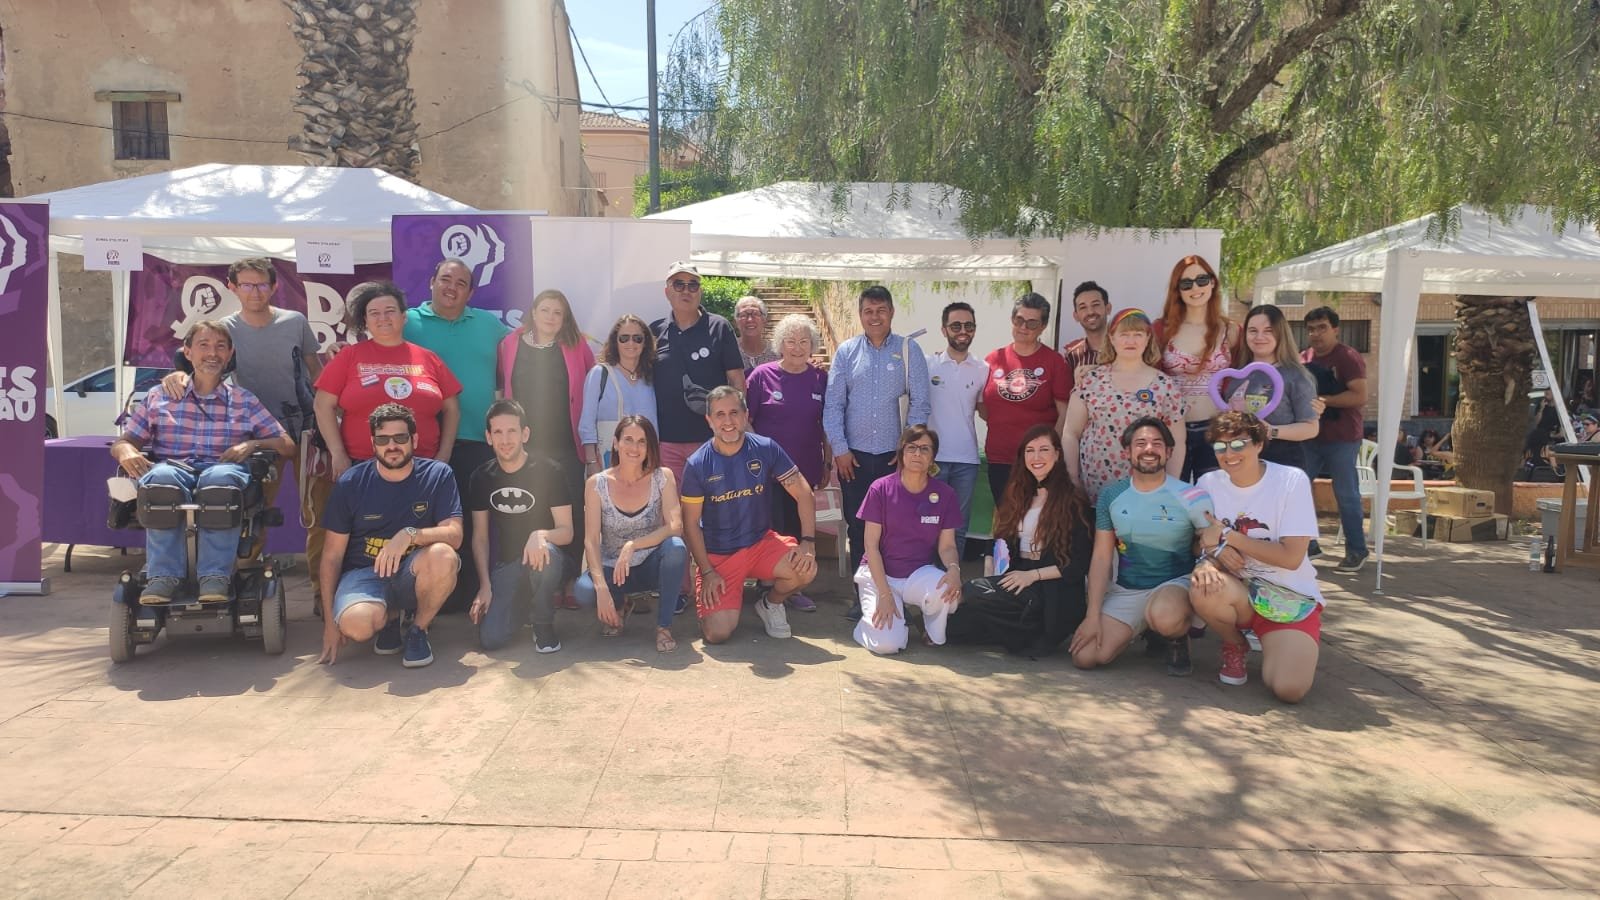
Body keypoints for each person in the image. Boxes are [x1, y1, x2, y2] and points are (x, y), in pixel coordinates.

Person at [112, 321, 295, 604]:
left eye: (221, 346)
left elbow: (287, 445)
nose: (213, 353)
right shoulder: (159, 397)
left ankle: (215, 576)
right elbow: (125, 441)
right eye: (204, 345)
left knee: (218, 481)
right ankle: (163, 577)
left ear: (230, 353)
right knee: (161, 481)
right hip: (174, 468)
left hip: (223, 470)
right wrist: (125, 452)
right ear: (187, 352)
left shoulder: (243, 400)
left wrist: (253, 444)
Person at [157, 258, 321, 560]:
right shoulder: (225, 330)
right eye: (246, 284)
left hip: (304, 431)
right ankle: (242, 580)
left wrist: (327, 415)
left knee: (316, 513)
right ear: (232, 287)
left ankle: (319, 596)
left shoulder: (296, 322)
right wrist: (176, 376)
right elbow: (194, 366)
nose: (254, 292)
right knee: (250, 512)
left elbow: (316, 370)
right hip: (254, 436)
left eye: (261, 284)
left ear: (274, 287)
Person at [312, 281, 462, 609]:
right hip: (362, 468)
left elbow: (451, 407)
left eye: (390, 311)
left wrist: (445, 453)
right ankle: (353, 600)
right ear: (364, 321)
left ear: (404, 317)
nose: (383, 318)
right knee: (356, 543)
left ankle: (417, 606)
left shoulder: (428, 358)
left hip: (421, 471)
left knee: (423, 541)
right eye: (374, 313)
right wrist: (337, 452)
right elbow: (323, 405)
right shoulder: (349, 356)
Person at [1190, 412, 1325, 702]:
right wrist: (1213, 553)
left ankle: (1280, 644)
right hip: (1237, 593)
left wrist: (1228, 537)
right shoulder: (1207, 482)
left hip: (1288, 596)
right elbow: (1199, 541)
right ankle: (1234, 644)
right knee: (1203, 583)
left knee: (1288, 689)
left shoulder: (1290, 480)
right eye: (1220, 447)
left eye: (1239, 445)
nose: (1229, 454)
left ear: (1259, 445)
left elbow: (1291, 557)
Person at [317, 403, 463, 669]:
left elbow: (455, 535)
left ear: (414, 439)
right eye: (383, 439)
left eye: (400, 438)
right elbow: (331, 556)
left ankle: (419, 630)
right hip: (364, 573)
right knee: (357, 626)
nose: (392, 446)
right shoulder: (351, 483)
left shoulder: (438, 475)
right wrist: (330, 623)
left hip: (412, 571)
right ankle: (391, 618)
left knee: (443, 555)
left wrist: (410, 534)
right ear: (373, 443)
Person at [405, 258, 511, 612]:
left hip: (479, 441)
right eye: (445, 279)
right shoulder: (407, 322)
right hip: (421, 444)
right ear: (431, 281)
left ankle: (466, 596)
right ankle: (423, 594)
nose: (452, 287)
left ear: (471, 291)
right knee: (424, 520)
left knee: (469, 519)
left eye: (461, 282)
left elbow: (521, 356)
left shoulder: (489, 324)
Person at [1070, 417, 1212, 676]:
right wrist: (1092, 616)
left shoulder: (1192, 495)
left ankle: (1175, 635)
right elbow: (1101, 558)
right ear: (1128, 452)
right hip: (1128, 590)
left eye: (1157, 444)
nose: (1149, 449)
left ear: (1169, 452)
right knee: (1085, 657)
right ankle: (1145, 628)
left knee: (1165, 615)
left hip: (1175, 585)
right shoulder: (1111, 495)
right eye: (1141, 443)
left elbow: (1209, 549)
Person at [680, 386, 819, 643]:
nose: (728, 421)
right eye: (719, 415)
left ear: (745, 416)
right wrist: (708, 572)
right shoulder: (697, 464)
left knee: (805, 569)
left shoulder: (765, 448)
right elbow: (690, 525)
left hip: (759, 544)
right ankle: (725, 599)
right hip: (719, 556)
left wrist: (808, 542)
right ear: (709, 420)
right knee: (717, 634)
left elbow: (804, 493)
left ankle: (770, 603)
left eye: (734, 412)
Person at [947, 425, 1092, 657]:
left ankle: (1029, 629)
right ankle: (1010, 628)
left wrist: (1031, 576)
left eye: (1044, 449)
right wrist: (991, 579)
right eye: (1029, 450)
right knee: (954, 628)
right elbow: (996, 542)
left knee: (973, 592)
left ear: (1057, 454)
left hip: (1050, 586)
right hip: (1017, 575)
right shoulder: (1017, 494)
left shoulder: (1073, 501)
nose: (1036, 457)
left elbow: (1078, 564)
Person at [824, 285, 931, 584]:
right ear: (860, 314)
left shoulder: (909, 350)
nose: (875, 317)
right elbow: (833, 404)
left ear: (892, 313)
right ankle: (863, 596)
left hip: (893, 460)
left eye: (881, 310)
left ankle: (895, 589)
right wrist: (841, 450)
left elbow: (920, 403)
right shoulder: (847, 352)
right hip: (853, 460)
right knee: (858, 527)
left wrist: (906, 454)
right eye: (868, 311)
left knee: (895, 526)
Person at [498, 288, 596, 607]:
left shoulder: (577, 344)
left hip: (566, 442)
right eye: (546, 310)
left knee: (570, 512)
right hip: (526, 445)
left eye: (558, 312)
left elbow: (593, 387)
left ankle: (568, 580)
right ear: (534, 312)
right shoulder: (510, 344)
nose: (551, 317)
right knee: (533, 511)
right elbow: (502, 391)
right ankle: (538, 581)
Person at [467, 399, 574, 653]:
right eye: (498, 432)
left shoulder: (549, 471)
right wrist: (485, 585)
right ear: (489, 437)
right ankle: (524, 604)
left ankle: (542, 623)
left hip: (550, 556)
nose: (505, 439)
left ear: (525, 433)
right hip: (508, 565)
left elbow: (566, 531)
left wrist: (540, 534)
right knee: (491, 639)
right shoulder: (481, 477)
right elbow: (480, 537)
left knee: (544, 556)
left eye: (512, 431)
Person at [576, 415, 689, 652]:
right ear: (615, 443)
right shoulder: (597, 484)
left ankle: (664, 627)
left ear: (650, 447)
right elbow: (591, 540)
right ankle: (619, 603)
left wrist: (632, 545)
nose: (635, 448)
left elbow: (675, 525)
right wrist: (602, 589)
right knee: (584, 592)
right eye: (628, 440)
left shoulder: (662, 477)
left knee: (677, 548)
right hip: (612, 569)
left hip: (650, 564)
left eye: (642, 441)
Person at [850, 425, 963, 654]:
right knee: (887, 645)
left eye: (925, 449)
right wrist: (884, 594)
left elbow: (948, 546)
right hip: (878, 574)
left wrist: (954, 569)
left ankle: (930, 628)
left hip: (916, 574)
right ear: (901, 452)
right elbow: (870, 546)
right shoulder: (880, 488)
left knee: (949, 597)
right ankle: (866, 625)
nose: (917, 454)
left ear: (933, 457)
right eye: (911, 447)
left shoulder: (945, 494)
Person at [746, 313, 831, 612]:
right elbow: (746, 421)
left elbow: (826, 424)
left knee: (797, 528)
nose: (797, 348)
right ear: (780, 344)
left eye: (804, 342)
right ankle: (766, 584)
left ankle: (792, 587)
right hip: (766, 473)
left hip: (805, 470)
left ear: (812, 346)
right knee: (770, 527)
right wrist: (762, 454)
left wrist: (827, 463)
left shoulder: (821, 378)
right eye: (791, 341)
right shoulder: (761, 376)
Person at [1062, 309, 1185, 502]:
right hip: (1096, 492)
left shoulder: (1165, 385)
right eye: (1124, 335)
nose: (1131, 341)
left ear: (1147, 339)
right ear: (1111, 338)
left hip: (1146, 493)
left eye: (1138, 334)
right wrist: (1072, 479)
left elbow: (1177, 441)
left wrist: (1170, 485)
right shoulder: (1091, 380)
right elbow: (1071, 433)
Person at [651, 262, 744, 479]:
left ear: (700, 291)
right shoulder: (654, 331)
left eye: (693, 285)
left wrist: (736, 427)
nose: (686, 290)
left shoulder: (719, 327)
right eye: (679, 284)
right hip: (667, 443)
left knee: (715, 508)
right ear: (667, 292)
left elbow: (736, 380)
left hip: (711, 439)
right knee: (673, 510)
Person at [982, 292, 1071, 507]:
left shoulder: (1054, 362)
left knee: (1035, 526)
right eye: (1019, 320)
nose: (1024, 327)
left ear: (1043, 327)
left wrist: (1049, 452)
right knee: (1007, 525)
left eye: (1032, 323)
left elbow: (1065, 414)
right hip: (1000, 459)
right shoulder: (993, 359)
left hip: (1038, 462)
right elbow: (983, 407)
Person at [1155, 255, 1239, 482]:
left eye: (1202, 279)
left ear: (1213, 282)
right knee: (1173, 503)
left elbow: (1254, 372)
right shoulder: (1161, 330)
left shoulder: (1230, 330)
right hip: (1171, 430)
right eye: (1186, 283)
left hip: (1217, 430)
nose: (1195, 288)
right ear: (1177, 290)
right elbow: (1135, 365)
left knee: (1214, 505)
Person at [1300, 306, 1370, 573]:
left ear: (1335, 329)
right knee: (1297, 489)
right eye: (1311, 329)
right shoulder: (1303, 357)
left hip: (1342, 437)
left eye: (1322, 327)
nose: (1316, 334)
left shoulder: (1348, 357)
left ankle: (1357, 551)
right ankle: (1308, 543)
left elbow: (1360, 396)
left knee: (1346, 493)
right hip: (1310, 435)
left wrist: (1322, 401)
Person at [1218, 305, 1321, 470]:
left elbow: (1311, 428)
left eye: (1268, 330)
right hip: (1239, 461)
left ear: (1281, 334)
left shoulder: (1296, 376)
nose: (1259, 337)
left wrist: (1271, 431)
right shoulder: (1237, 374)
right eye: (1252, 331)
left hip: (1283, 462)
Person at [925, 302, 985, 556]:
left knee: (958, 528)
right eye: (956, 325)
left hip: (967, 461)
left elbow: (987, 410)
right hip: (932, 460)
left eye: (969, 325)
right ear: (944, 329)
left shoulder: (984, 369)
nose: (963, 331)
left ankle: (951, 585)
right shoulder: (927, 364)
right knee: (928, 525)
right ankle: (924, 583)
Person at [579, 314, 659, 477]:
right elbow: (587, 423)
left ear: (645, 343)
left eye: (638, 338)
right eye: (624, 338)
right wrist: (592, 462)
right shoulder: (599, 374)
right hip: (607, 462)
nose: (631, 343)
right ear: (615, 341)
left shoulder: (652, 377)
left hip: (645, 463)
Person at [1061, 280, 1111, 392]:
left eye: (1096, 305)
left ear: (1108, 308)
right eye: (1083, 307)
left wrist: (1099, 371)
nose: (1090, 312)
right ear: (1076, 316)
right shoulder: (1072, 356)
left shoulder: (1126, 347)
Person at [734, 295, 780, 371]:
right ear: (736, 322)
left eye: (755, 314)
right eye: (743, 315)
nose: (750, 319)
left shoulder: (777, 352)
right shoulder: (729, 350)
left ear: (764, 320)